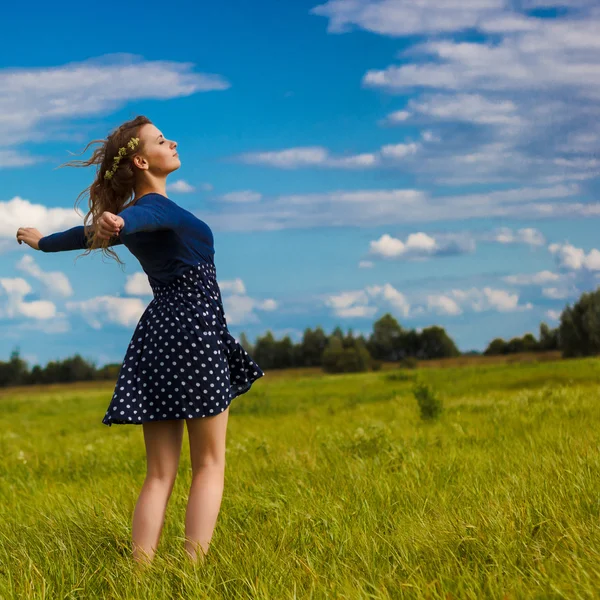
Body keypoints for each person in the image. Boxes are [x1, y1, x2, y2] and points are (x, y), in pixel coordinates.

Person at [15, 115, 265, 567]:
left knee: (159, 472)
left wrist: (42, 242)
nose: (173, 141)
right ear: (142, 160)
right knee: (209, 465)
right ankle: (193, 572)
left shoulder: (144, 213)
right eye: (161, 140)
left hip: (158, 337)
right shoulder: (154, 209)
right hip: (195, 332)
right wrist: (117, 223)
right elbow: (135, 219)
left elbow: (90, 232)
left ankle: (140, 573)